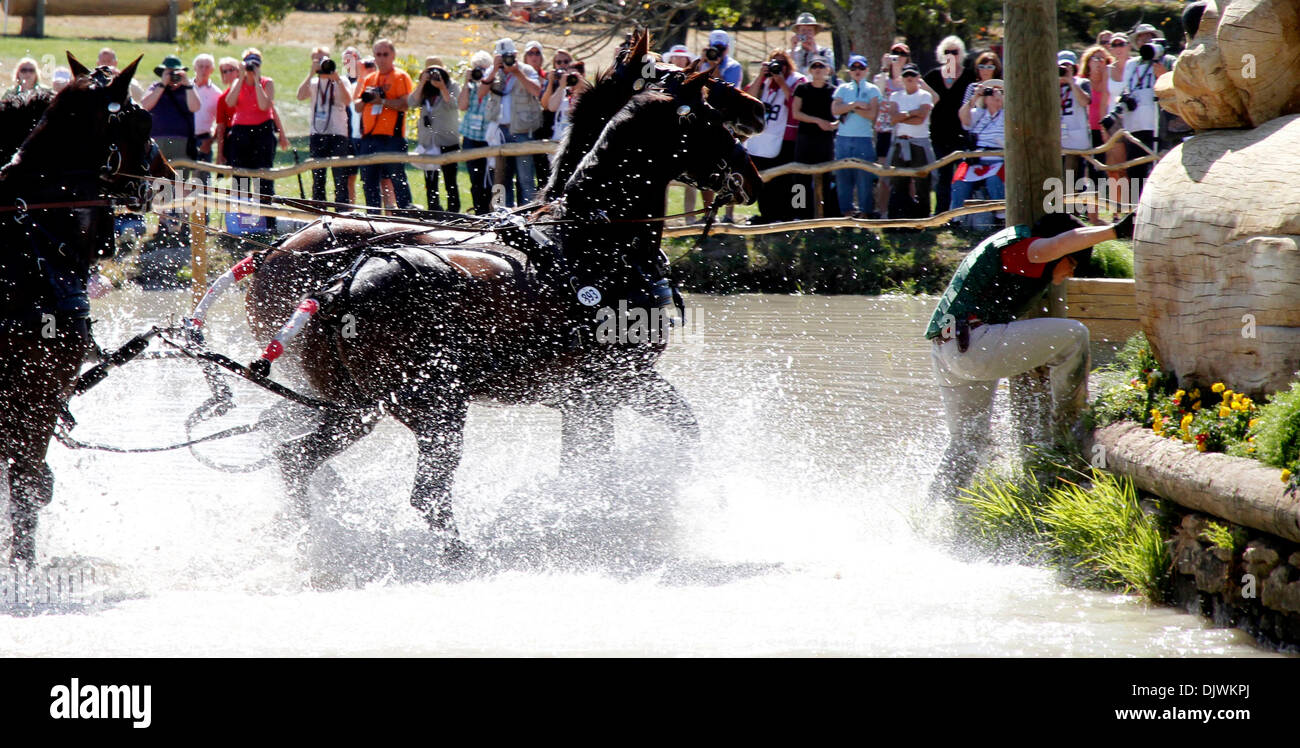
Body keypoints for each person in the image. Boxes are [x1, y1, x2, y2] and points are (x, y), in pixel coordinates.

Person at [925, 212, 1138, 502]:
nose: (1071, 273)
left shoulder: (1009, 247)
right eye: (1072, 262)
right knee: (1075, 335)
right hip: (974, 345)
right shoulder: (1026, 248)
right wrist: (1114, 231)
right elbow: (1058, 244)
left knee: (967, 443)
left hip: (948, 350)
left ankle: (932, 511)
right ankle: (1071, 424)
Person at [745, 50, 806, 224]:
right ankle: (767, 214)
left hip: (787, 138)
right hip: (762, 138)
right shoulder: (765, 81)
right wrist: (760, 77)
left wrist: (782, 82)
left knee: (787, 179)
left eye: (782, 63)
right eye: (774, 63)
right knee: (763, 178)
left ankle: (791, 214)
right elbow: (748, 97)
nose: (778, 67)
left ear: (789, 65)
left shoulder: (797, 80)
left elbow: (796, 106)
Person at [354, 38, 415, 212]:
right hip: (369, 138)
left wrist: (382, 100)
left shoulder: (401, 76)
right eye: (378, 54)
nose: (382, 58)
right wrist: (367, 99)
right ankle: (373, 221)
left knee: (398, 180)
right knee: (369, 183)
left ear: (393, 55)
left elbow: (405, 105)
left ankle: (406, 217)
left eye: (385, 54)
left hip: (392, 138)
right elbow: (357, 106)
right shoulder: (370, 78)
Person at [482, 38, 543, 208]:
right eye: (501, 56)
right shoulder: (493, 72)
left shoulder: (526, 70)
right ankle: (499, 213)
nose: (505, 60)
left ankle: (529, 214)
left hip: (522, 132)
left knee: (525, 178)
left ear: (515, 55)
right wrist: (494, 69)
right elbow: (481, 92)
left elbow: (537, 90)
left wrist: (517, 73)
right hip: (499, 133)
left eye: (507, 56)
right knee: (501, 178)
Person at [921, 36, 976, 216]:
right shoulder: (933, 76)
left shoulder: (969, 76)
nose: (951, 55)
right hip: (938, 134)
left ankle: (959, 215)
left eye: (955, 52)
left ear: (961, 54)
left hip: (961, 135)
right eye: (947, 52)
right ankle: (941, 214)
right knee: (942, 177)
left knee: (961, 177)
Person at [225, 48, 278, 225]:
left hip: (263, 131)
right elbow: (230, 102)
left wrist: (256, 81)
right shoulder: (237, 83)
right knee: (240, 175)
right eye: (249, 63)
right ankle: (241, 220)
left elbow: (264, 105)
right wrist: (241, 78)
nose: (251, 67)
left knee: (264, 174)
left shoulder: (267, 82)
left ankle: (268, 221)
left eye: (255, 63)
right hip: (241, 132)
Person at [1121, 23, 1175, 193]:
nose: (1144, 40)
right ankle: (1136, 210)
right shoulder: (1131, 64)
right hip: (1134, 124)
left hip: (1159, 124)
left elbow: (1178, 86)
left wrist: (1164, 75)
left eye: (1148, 37)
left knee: (1160, 169)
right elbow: (1125, 87)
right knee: (1135, 170)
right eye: (1140, 37)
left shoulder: (1168, 60)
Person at [297, 46, 354, 205]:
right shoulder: (314, 82)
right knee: (318, 177)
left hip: (339, 133)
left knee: (340, 177)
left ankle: (341, 213)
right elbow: (300, 96)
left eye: (325, 59)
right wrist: (310, 73)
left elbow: (348, 101)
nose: (322, 63)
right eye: (318, 60)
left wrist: (335, 79)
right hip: (317, 133)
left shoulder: (341, 80)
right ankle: (319, 211)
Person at [952, 78, 1006, 230]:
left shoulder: (1008, 115)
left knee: (994, 180)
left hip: (997, 159)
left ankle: (1001, 217)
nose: (996, 95)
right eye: (992, 92)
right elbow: (963, 117)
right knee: (960, 180)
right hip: (976, 159)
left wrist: (1002, 96)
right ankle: (955, 217)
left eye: (1000, 92)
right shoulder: (979, 114)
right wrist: (975, 96)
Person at [409, 57, 462, 212]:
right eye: (430, 71)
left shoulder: (453, 86)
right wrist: (422, 83)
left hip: (447, 139)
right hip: (428, 140)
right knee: (430, 180)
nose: (434, 74)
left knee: (450, 179)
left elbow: (454, 104)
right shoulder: (425, 88)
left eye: (437, 71)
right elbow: (411, 102)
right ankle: (433, 209)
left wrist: (442, 87)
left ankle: (453, 210)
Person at [791, 55, 840, 217]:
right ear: (810, 70)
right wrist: (817, 121)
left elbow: (842, 115)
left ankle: (825, 214)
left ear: (828, 70)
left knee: (826, 178)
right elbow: (796, 113)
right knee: (800, 177)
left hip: (825, 140)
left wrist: (834, 125)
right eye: (814, 67)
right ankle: (799, 214)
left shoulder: (834, 91)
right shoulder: (802, 89)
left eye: (821, 66)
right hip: (805, 139)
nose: (818, 69)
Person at [831, 54, 880, 218]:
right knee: (843, 178)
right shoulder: (842, 88)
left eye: (860, 67)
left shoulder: (873, 89)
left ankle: (865, 214)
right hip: (843, 139)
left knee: (864, 179)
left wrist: (848, 108)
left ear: (866, 70)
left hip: (863, 139)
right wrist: (856, 105)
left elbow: (872, 114)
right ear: (849, 71)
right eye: (853, 68)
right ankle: (847, 214)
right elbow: (835, 110)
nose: (857, 71)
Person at [885, 64, 935, 220]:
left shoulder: (924, 96)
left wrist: (903, 116)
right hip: (900, 143)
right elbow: (893, 118)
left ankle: (923, 219)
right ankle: (898, 218)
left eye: (912, 75)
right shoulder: (895, 96)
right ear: (902, 79)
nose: (909, 78)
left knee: (922, 182)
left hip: (919, 143)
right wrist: (912, 113)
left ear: (918, 78)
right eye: (906, 75)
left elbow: (921, 119)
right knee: (898, 182)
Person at [873, 43, 910, 217]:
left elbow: (907, 92)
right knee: (883, 173)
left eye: (902, 54)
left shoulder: (911, 78)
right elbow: (878, 92)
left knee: (908, 174)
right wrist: (885, 67)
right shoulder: (881, 77)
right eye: (895, 53)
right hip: (885, 131)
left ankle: (910, 210)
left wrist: (898, 71)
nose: (898, 56)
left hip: (905, 131)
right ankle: (883, 212)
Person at [141, 55, 201, 165]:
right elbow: (145, 105)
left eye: (176, 73)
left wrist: (187, 84)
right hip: (157, 140)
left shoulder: (188, 89)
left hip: (182, 141)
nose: (173, 76)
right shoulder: (155, 87)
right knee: (156, 178)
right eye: (170, 73)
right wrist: (163, 84)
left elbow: (195, 107)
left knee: (179, 179)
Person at [458, 50, 495, 214]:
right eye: (476, 68)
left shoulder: (493, 84)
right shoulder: (470, 85)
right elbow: (462, 106)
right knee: (475, 179)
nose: (479, 71)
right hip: (471, 137)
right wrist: (466, 82)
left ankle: (492, 211)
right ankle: (479, 212)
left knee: (491, 178)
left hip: (488, 137)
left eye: (483, 68)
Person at [1057, 51, 1092, 190]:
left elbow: (1084, 101)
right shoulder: (1052, 85)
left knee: (1072, 178)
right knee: (1057, 178)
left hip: (1076, 139)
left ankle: (1074, 210)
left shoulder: (1082, 82)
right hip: (1058, 138)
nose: (1064, 70)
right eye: (1061, 67)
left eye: (1067, 67)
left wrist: (1071, 81)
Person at [541, 54, 588, 148]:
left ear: (582, 76)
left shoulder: (588, 94)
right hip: (559, 141)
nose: (571, 80)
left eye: (574, 77)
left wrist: (581, 87)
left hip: (578, 142)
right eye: (568, 76)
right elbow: (551, 107)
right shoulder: (563, 92)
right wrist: (562, 86)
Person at [523, 42, 552, 188]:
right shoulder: (518, 75)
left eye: (537, 53)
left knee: (544, 171)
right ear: (525, 57)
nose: (534, 57)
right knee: (524, 174)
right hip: (522, 126)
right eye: (530, 53)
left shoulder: (549, 77)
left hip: (543, 127)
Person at [191, 54, 223, 178]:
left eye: (207, 67)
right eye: (200, 66)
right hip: (184, 137)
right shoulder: (186, 88)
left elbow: (221, 122)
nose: (203, 70)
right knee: (180, 177)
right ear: (195, 68)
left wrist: (210, 141)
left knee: (202, 180)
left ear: (212, 70)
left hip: (203, 139)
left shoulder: (216, 93)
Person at [788, 12, 836, 79]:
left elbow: (830, 72)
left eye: (809, 30)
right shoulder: (790, 53)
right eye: (803, 30)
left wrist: (815, 53)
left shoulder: (825, 52)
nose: (806, 33)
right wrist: (793, 48)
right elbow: (788, 72)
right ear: (798, 32)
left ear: (814, 32)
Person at [213, 57, 240, 166]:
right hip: (233, 137)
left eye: (231, 69)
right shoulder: (223, 98)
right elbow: (221, 127)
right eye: (225, 71)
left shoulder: (249, 91)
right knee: (239, 176)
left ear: (239, 71)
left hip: (250, 132)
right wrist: (220, 153)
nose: (228, 73)